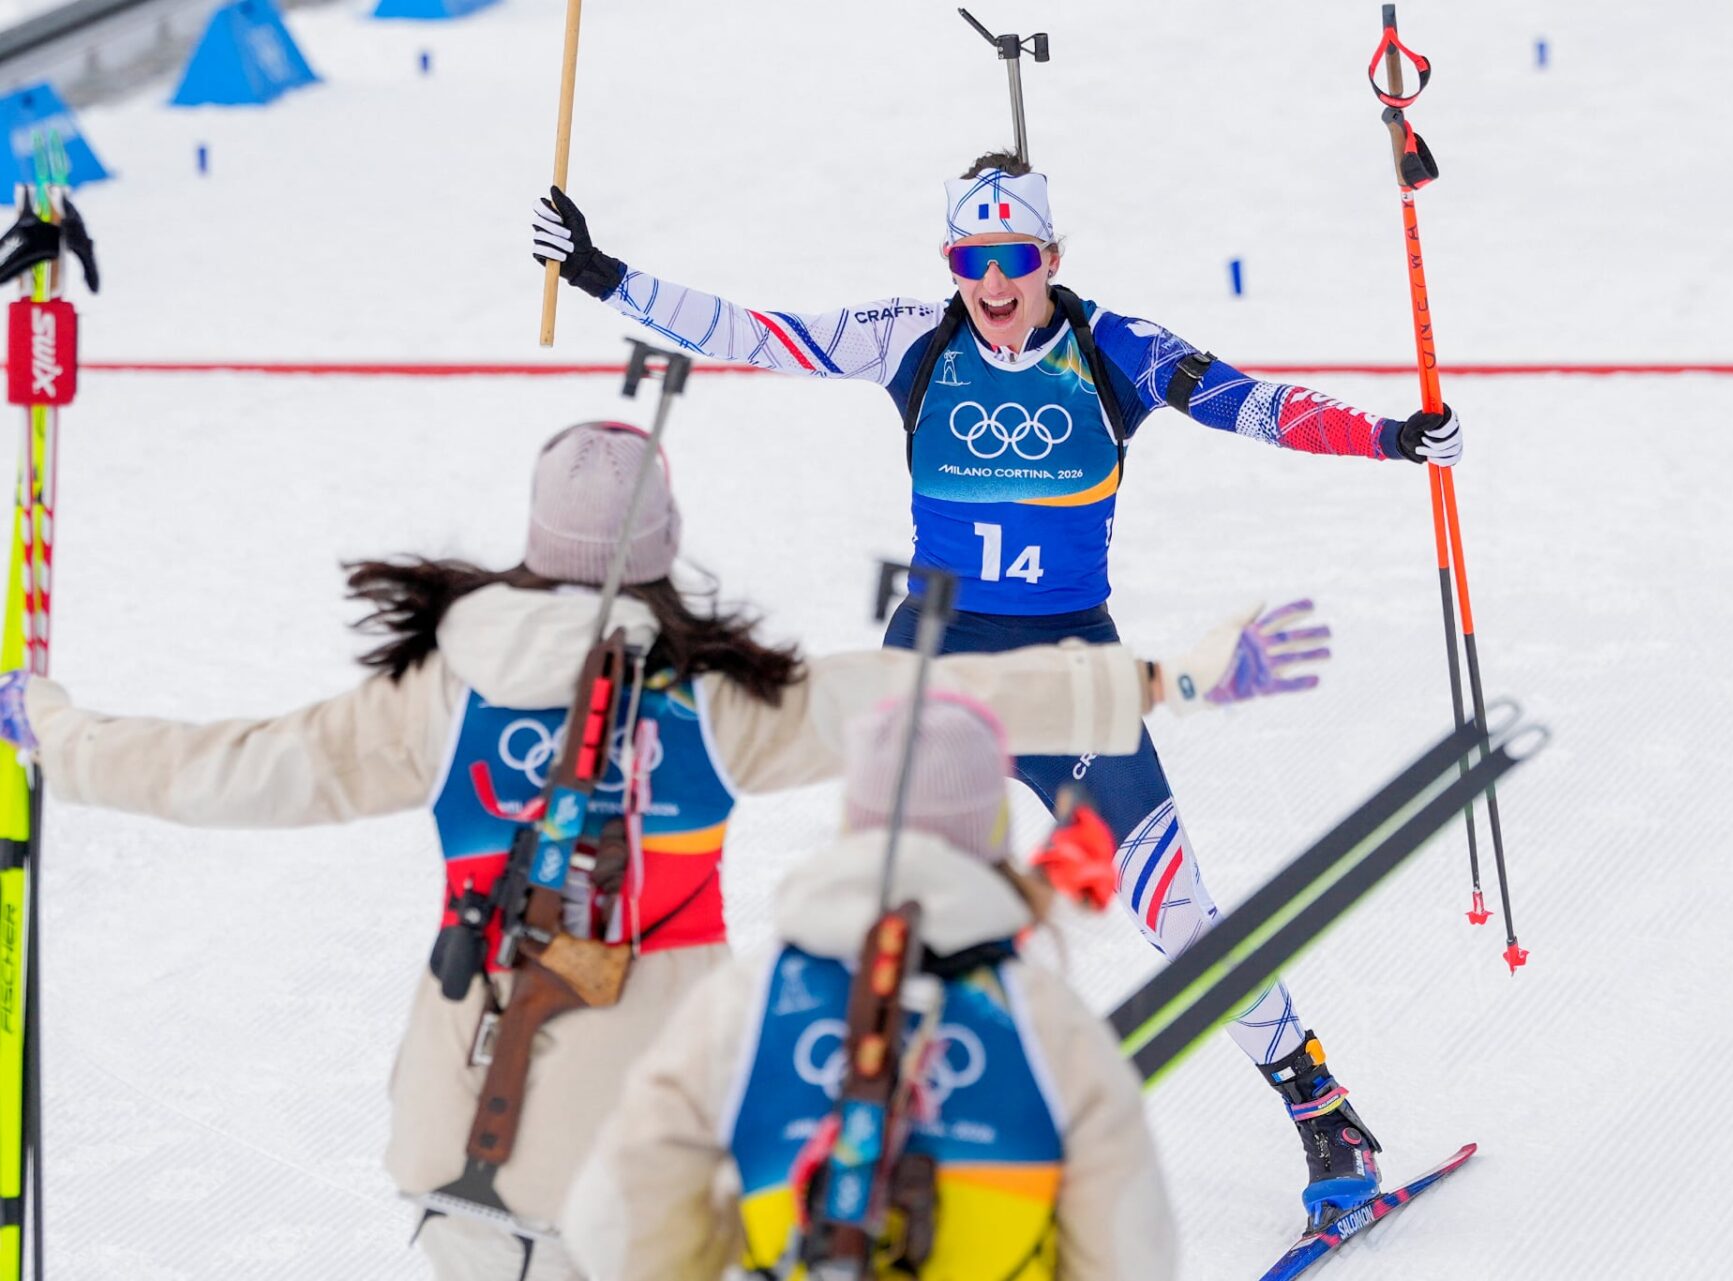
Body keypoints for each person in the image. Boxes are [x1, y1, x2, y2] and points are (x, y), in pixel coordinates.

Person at [0, 421, 1332, 1278]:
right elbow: (935, 692)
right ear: (659, 555)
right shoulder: (717, 703)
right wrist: (1167, 678)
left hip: (462, 1133)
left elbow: (230, 770)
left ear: (537, 549)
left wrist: (55, 731)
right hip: (646, 1154)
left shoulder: (438, 695)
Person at [529, 151, 1445, 1228]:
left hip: (1070, 676)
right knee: (882, 917)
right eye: (973, 258)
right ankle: (862, 1140)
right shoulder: (912, 338)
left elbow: (1252, 403)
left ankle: (1320, 1106)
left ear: (1051, 257)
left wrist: (1389, 439)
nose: (993, 283)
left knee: (1179, 911)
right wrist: (604, 276)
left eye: (1014, 258)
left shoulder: (1115, 352)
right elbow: (756, 334)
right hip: (935, 672)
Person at [560, 695, 1177, 1281]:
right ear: (993, 827)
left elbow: (608, 1231)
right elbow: (1135, 1258)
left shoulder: (742, 1004)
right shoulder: (1050, 1022)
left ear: (853, 819)